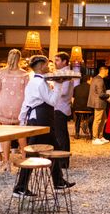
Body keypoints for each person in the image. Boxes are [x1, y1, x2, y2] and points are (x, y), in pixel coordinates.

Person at [14, 55, 73, 196]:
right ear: (41, 67)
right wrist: (59, 84)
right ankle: (20, 187)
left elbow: (26, 103)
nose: (49, 67)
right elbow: (53, 101)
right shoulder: (40, 83)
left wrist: (22, 119)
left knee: (53, 149)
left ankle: (58, 182)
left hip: (40, 119)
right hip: (41, 120)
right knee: (32, 152)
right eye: (47, 65)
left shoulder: (35, 82)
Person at [0, 49, 30, 172]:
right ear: (19, 59)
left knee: (6, 135)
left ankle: (6, 162)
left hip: (4, 105)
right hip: (19, 105)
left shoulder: (0, 73)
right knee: (21, 134)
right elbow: (28, 92)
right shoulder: (25, 74)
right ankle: (25, 160)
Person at [53, 52, 74, 167]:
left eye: (57, 60)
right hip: (62, 106)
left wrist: (52, 88)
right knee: (62, 134)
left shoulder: (65, 73)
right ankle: (62, 161)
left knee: (61, 135)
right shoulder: (63, 72)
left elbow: (64, 91)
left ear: (64, 61)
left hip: (60, 106)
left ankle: (63, 161)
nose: (55, 62)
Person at [88, 66, 110, 145]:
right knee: (98, 120)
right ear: (103, 71)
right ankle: (95, 138)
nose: (107, 74)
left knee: (103, 120)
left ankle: (100, 136)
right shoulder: (100, 80)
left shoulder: (95, 78)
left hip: (99, 103)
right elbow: (101, 94)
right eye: (107, 72)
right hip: (99, 103)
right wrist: (109, 95)